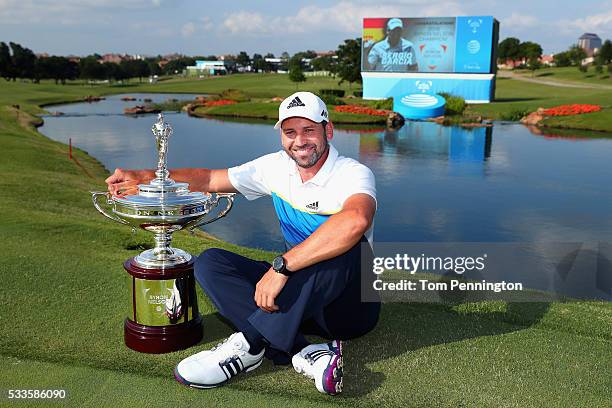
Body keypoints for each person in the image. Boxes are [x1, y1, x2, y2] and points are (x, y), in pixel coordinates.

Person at [105, 91, 380, 396]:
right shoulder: (276, 167)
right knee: (211, 263)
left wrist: (282, 268)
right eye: (290, 132)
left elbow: (356, 220)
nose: (299, 141)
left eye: (309, 130)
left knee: (348, 244)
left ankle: (248, 345)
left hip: (347, 310)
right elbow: (209, 180)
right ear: (282, 137)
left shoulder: (353, 172)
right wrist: (143, 177)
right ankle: (306, 353)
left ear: (328, 131)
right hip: (299, 302)